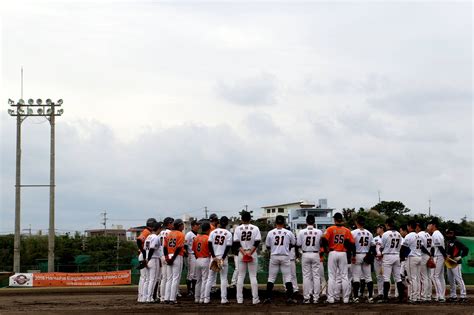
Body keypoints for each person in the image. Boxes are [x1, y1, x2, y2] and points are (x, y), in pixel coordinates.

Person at [322, 212, 354, 304]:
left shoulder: (330, 229)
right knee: (344, 276)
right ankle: (346, 298)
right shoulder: (347, 230)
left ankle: (331, 298)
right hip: (343, 253)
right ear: (342, 219)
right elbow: (351, 243)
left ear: (334, 219)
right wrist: (347, 248)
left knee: (332, 276)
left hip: (333, 252)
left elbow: (324, 239)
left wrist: (326, 249)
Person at [263, 215, 296, 304]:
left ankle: (268, 298)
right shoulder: (288, 232)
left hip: (274, 256)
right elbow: (293, 243)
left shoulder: (270, 232)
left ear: (276, 223)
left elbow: (268, 246)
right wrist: (286, 248)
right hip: (285, 256)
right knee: (288, 278)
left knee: (271, 278)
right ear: (284, 223)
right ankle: (289, 298)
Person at [233, 210, 262, 305]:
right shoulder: (255, 228)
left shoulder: (237, 228)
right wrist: (250, 253)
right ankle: (255, 299)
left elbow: (236, 243)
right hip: (252, 253)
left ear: (241, 219)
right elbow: (257, 242)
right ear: (250, 218)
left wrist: (244, 253)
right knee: (253, 276)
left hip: (242, 253)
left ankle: (239, 299)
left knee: (240, 276)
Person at [204, 216, 233, 304]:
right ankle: (223, 299)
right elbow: (228, 247)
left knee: (210, 278)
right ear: (227, 223)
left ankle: (206, 298)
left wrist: (214, 256)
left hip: (214, 257)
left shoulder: (213, 232)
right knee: (223, 279)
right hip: (223, 258)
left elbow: (209, 244)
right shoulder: (228, 233)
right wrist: (222, 259)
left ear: (219, 222)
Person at [296, 214, 323, 304]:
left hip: (305, 254)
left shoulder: (301, 232)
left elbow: (298, 245)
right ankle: (316, 298)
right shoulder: (319, 232)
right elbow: (321, 244)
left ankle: (307, 297)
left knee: (306, 276)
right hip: (316, 254)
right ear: (314, 222)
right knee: (316, 276)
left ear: (306, 222)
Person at [378, 218, 404, 303]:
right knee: (398, 278)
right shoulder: (399, 234)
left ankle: (385, 297)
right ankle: (401, 297)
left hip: (388, 256)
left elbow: (382, 247)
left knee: (386, 278)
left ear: (387, 224)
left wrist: (381, 252)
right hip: (396, 255)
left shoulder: (386, 234)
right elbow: (400, 246)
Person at [351, 216, 375, 303]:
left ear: (357, 222)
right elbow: (373, 246)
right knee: (368, 277)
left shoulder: (353, 232)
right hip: (366, 255)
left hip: (357, 255)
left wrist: (353, 255)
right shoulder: (369, 233)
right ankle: (371, 297)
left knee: (356, 277)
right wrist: (369, 255)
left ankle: (356, 297)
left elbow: (351, 245)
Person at [163, 219, 185, 304]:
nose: (183, 226)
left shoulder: (169, 234)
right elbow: (179, 248)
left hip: (169, 255)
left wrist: (167, 257)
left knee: (169, 279)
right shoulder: (181, 234)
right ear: (179, 225)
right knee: (175, 278)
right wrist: (173, 258)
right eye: (182, 225)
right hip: (177, 256)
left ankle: (166, 298)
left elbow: (164, 247)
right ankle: (172, 298)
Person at [401, 221, 422, 303]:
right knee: (417, 278)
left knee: (412, 278)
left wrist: (402, 256)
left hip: (412, 258)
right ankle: (417, 297)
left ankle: (413, 298)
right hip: (419, 257)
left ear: (409, 226)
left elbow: (404, 248)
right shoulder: (418, 235)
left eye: (408, 226)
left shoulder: (409, 236)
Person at [445, 228, 469, 302]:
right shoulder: (449, 241)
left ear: (453, 233)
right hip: (449, 262)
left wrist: (460, 256)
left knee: (459, 279)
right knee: (451, 280)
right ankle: (453, 296)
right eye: (448, 233)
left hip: (456, 263)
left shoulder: (457, 241)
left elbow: (466, 249)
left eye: (450, 233)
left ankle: (463, 296)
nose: (449, 234)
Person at [137, 217, 157, 303]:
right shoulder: (147, 232)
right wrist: (143, 251)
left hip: (144, 255)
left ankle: (141, 296)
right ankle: (142, 296)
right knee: (144, 278)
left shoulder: (148, 232)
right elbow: (138, 240)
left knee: (144, 278)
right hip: (144, 255)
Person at [143, 222, 163, 303]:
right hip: (153, 259)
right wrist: (148, 259)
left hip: (148, 259)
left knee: (148, 279)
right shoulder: (155, 237)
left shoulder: (148, 236)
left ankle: (145, 297)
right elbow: (152, 249)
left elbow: (144, 249)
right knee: (153, 280)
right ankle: (149, 298)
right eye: (161, 228)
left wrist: (145, 259)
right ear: (159, 228)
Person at [428, 218, 446, 302]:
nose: (428, 226)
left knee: (434, 276)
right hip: (440, 256)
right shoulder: (439, 234)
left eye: (430, 224)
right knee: (440, 277)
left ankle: (440, 296)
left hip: (438, 256)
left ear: (434, 225)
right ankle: (442, 295)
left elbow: (439, 246)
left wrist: (445, 256)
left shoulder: (435, 234)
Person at [193, 222, 211, 304]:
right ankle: (202, 298)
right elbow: (210, 251)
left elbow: (194, 250)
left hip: (197, 259)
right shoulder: (208, 238)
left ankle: (196, 298)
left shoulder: (196, 238)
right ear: (208, 229)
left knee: (198, 280)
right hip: (205, 259)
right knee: (205, 280)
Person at [416, 222, 434, 303]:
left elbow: (422, 247)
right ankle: (428, 296)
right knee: (428, 277)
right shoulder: (428, 235)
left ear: (418, 227)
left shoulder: (420, 234)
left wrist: (428, 254)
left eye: (416, 226)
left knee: (424, 277)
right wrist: (431, 256)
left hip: (423, 256)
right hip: (428, 256)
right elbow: (432, 248)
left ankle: (423, 296)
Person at [159, 217, 174, 302]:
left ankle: (162, 297)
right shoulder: (170, 232)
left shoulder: (161, 232)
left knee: (164, 278)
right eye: (172, 223)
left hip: (161, 256)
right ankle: (168, 296)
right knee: (169, 278)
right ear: (168, 223)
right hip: (168, 255)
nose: (173, 225)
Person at [185, 220, 200, 297]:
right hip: (191, 255)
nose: (198, 226)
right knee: (190, 274)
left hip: (196, 256)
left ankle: (193, 290)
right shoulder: (189, 234)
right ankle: (189, 291)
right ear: (193, 226)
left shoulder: (198, 235)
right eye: (197, 225)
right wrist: (187, 254)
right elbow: (185, 245)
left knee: (195, 274)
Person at [373, 224, 385, 299]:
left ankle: (386, 293)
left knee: (385, 276)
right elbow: (372, 248)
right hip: (377, 259)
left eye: (378, 228)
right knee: (378, 276)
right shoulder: (375, 239)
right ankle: (380, 293)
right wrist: (375, 255)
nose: (377, 229)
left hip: (384, 259)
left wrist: (382, 254)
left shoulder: (386, 236)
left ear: (382, 228)